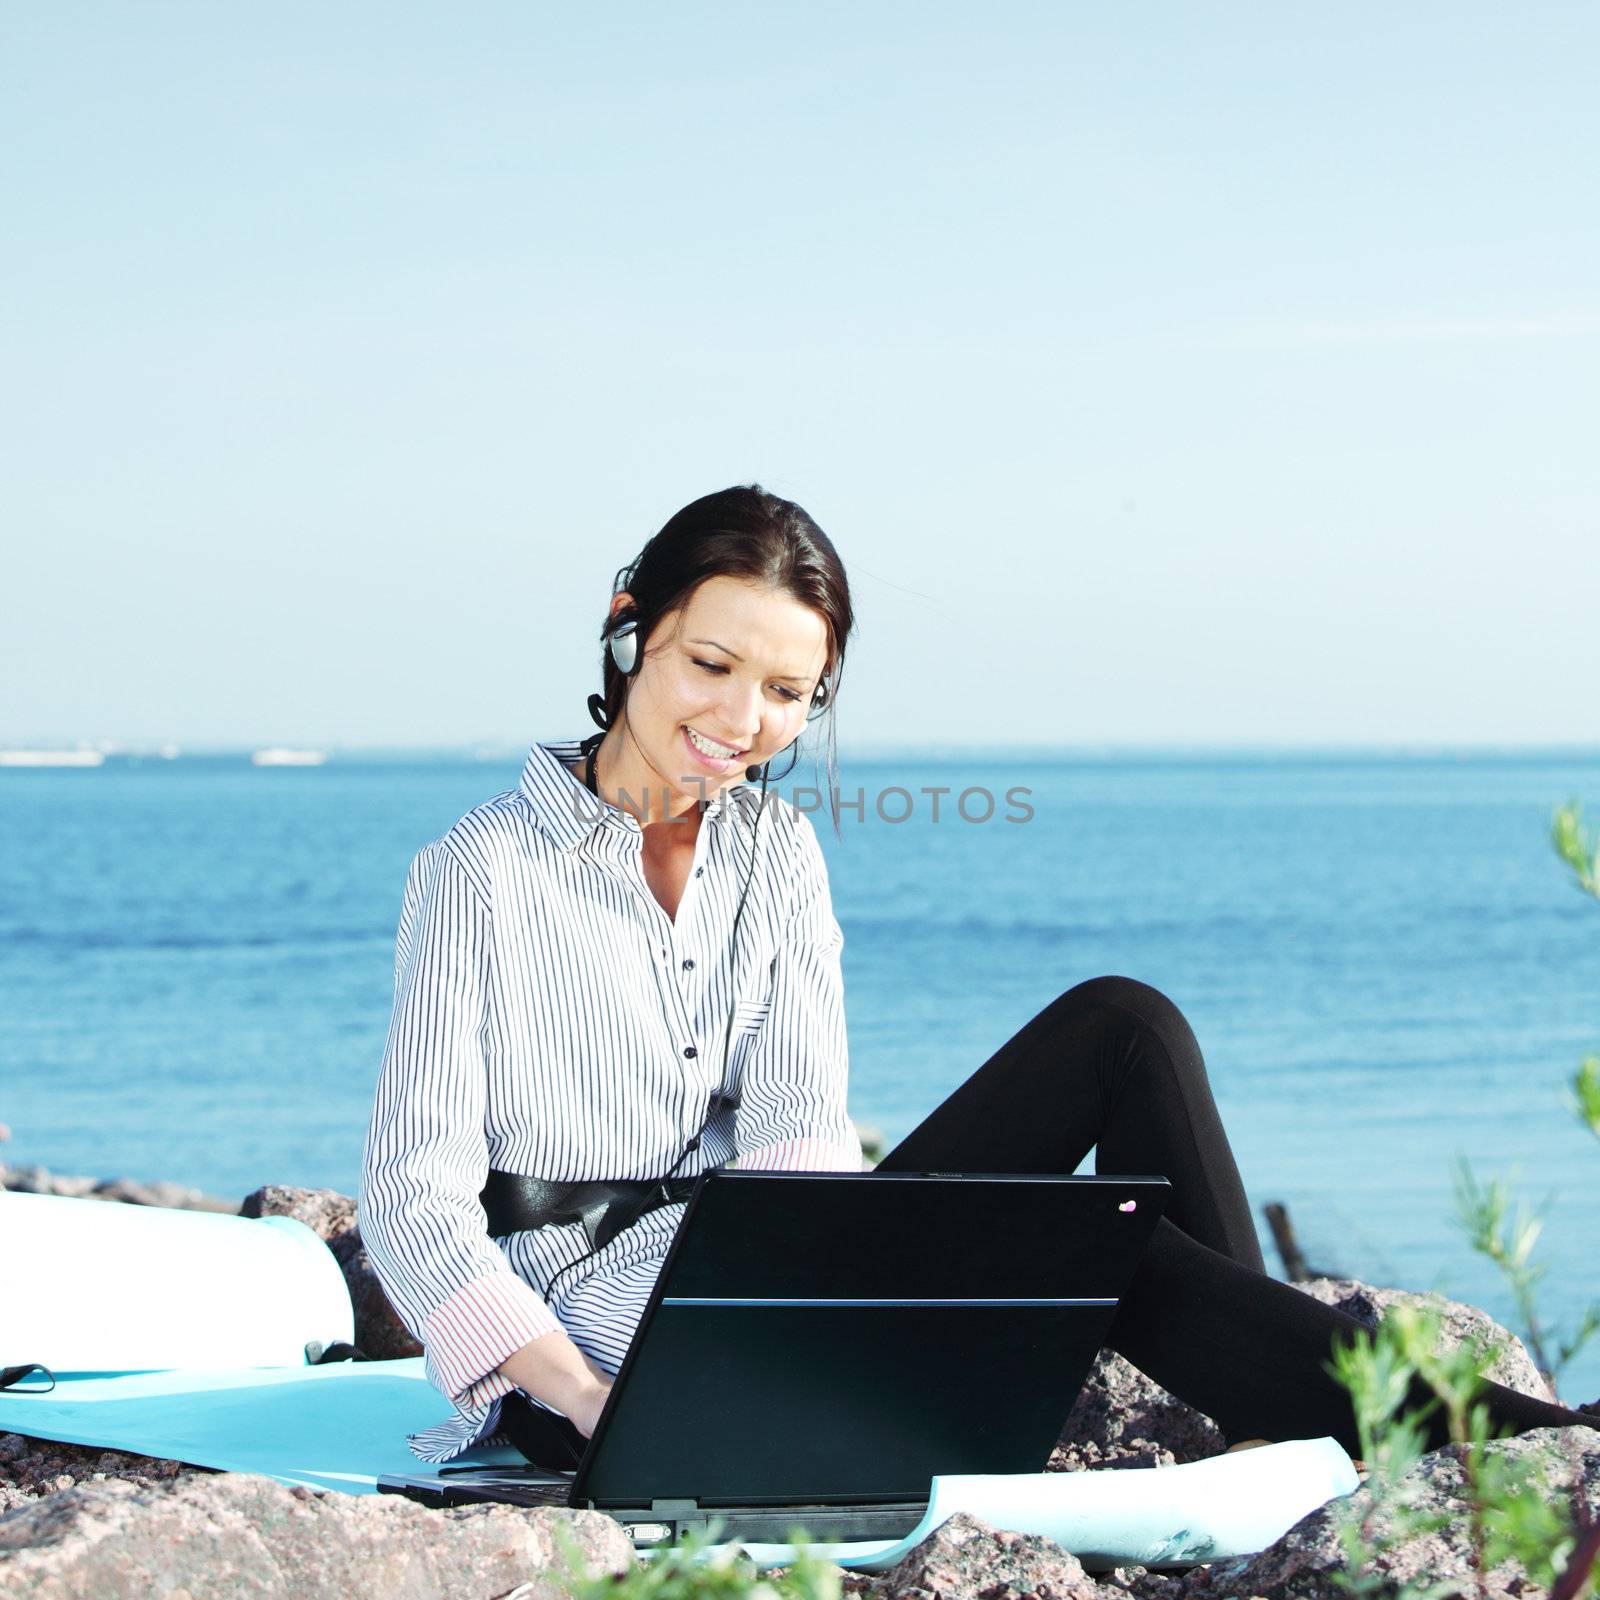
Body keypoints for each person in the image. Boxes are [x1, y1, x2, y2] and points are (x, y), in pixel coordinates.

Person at [358, 483, 1597, 1470]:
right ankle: (1530, 1451)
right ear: (631, 628)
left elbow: (798, 1143)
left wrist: (844, 1289)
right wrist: (585, 1401)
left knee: (1124, 1024)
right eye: (710, 666)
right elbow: (414, 1206)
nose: (743, 720)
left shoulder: (774, 849)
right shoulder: (477, 871)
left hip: (768, 1277)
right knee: (1113, 1257)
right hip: (587, 1340)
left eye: (788, 691)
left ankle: (1268, 1396)